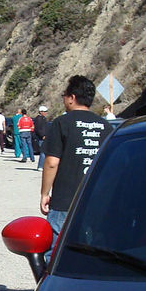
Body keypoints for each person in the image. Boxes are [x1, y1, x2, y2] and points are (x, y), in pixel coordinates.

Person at [41, 75, 112, 251]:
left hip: (65, 200)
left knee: (57, 250)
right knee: (91, 250)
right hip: (97, 200)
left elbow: (51, 162)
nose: (64, 99)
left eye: (64, 95)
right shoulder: (106, 126)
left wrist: (45, 193)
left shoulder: (61, 123)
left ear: (72, 97)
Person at [33, 105, 49, 170]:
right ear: (41, 112)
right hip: (41, 138)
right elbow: (38, 129)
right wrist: (42, 136)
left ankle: (43, 165)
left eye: (46, 111)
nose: (46, 113)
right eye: (45, 111)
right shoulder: (39, 119)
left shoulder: (43, 118)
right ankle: (40, 166)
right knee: (43, 152)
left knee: (44, 152)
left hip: (45, 137)